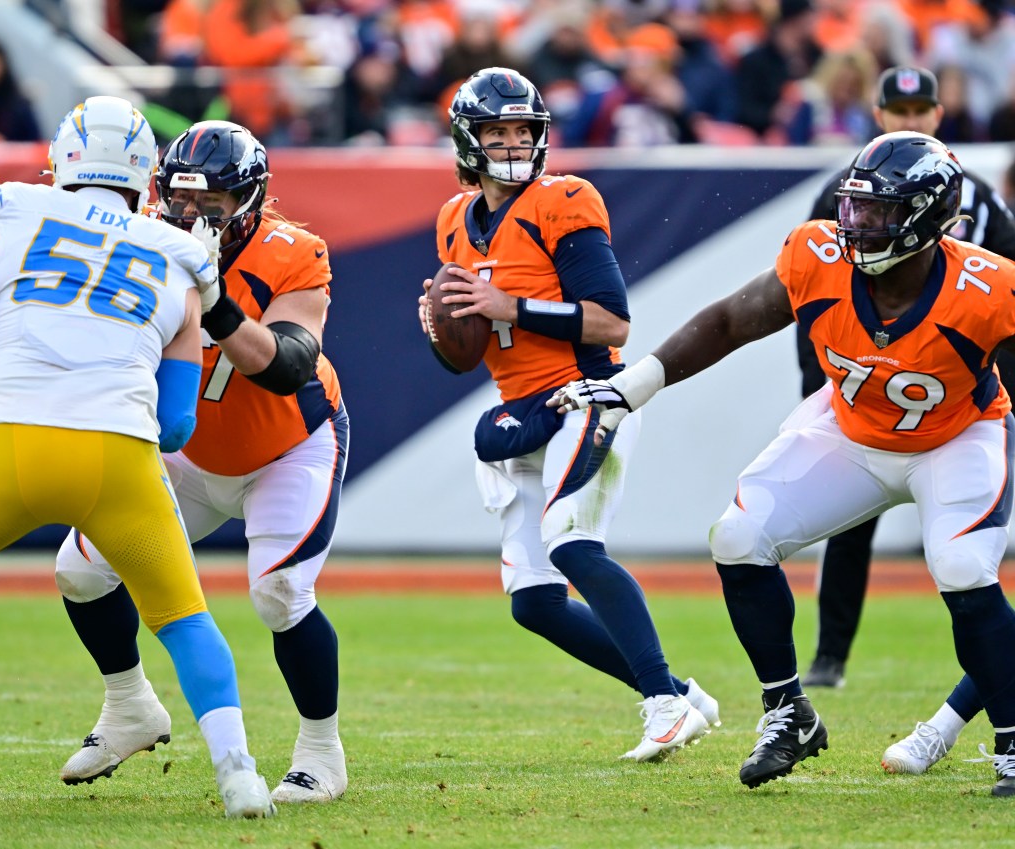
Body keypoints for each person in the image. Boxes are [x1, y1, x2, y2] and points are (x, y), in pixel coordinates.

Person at [550, 130, 1015, 796]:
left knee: (964, 568)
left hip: (957, 438)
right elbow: (729, 322)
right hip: (851, 431)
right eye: (855, 205)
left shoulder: (988, 285)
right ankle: (787, 710)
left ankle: (1012, 740)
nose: (857, 222)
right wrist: (634, 386)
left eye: (879, 210)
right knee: (738, 537)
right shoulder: (818, 255)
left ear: (926, 218)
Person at [417, 67, 720, 762]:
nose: (514, 143)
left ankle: (663, 703)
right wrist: (442, 329)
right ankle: (682, 692)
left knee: (573, 543)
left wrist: (511, 307)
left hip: (586, 394)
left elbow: (612, 323)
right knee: (535, 601)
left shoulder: (565, 199)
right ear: (468, 140)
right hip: (522, 407)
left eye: (524, 130)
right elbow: (468, 353)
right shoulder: (453, 220)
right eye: (497, 131)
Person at [0, 96, 273, 817]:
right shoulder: (181, 256)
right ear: (149, 176)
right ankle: (239, 776)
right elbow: (176, 424)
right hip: (118, 456)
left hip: (10, 440)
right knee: (184, 617)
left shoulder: (11, 208)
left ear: (61, 163)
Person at [53, 120, 349, 804]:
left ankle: (321, 751)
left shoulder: (293, 251)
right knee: (80, 571)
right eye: (180, 200)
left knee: (280, 592)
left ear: (249, 201)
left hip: (287, 446)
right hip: (187, 452)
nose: (191, 216)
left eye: (210, 203)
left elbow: (287, 366)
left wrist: (214, 299)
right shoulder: (141, 243)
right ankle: (128, 704)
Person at [800, 65, 1015, 692]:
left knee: (965, 550)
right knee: (848, 527)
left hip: (958, 396)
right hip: (866, 384)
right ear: (880, 115)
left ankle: (988, 675)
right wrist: (818, 384)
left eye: (921, 112)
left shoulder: (976, 196)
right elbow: (806, 296)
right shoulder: (842, 194)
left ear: (938, 116)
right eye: (901, 112)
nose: (912, 120)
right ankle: (830, 656)